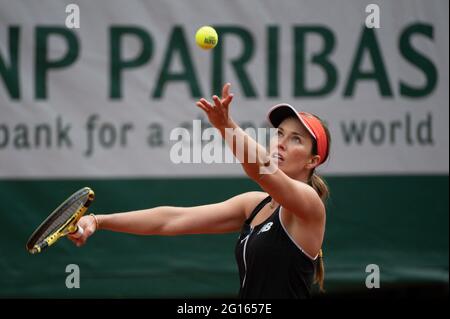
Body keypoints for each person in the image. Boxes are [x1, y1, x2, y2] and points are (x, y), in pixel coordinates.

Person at [69, 83, 331, 299]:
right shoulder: (255, 205)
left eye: (296, 139)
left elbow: (260, 170)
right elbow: (171, 220)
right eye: (280, 133)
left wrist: (225, 126)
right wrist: (98, 221)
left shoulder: (309, 204)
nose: (281, 143)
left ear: (312, 161)